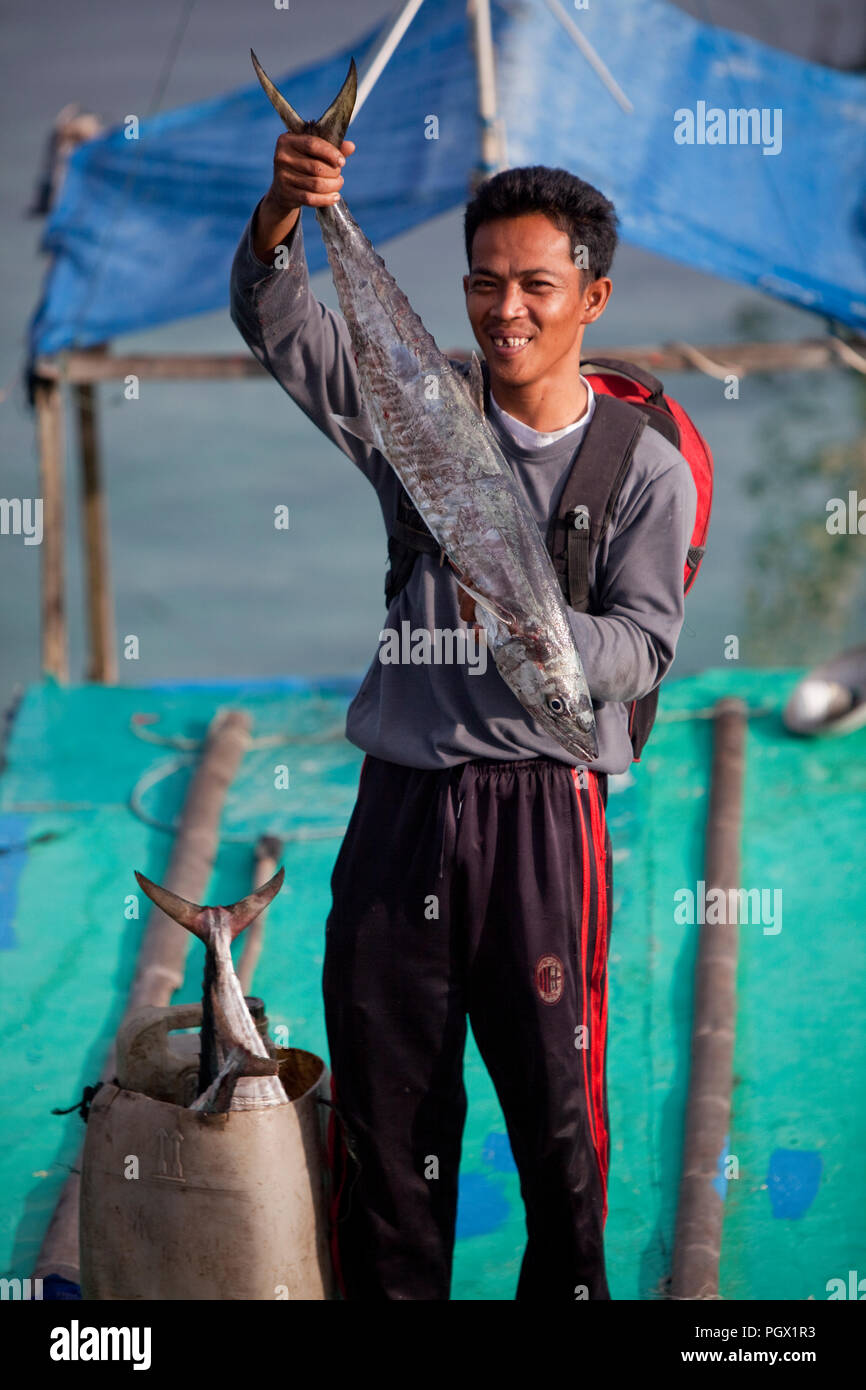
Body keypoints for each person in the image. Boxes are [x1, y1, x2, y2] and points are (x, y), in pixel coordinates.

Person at [230, 130, 696, 1301]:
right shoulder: (414, 414)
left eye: (536, 284)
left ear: (590, 295)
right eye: (484, 282)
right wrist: (285, 214)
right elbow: (277, 321)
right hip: (402, 811)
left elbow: (641, 649)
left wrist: (528, 624)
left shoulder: (643, 466)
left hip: (545, 823)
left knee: (557, 1131)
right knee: (387, 1129)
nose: (506, 310)